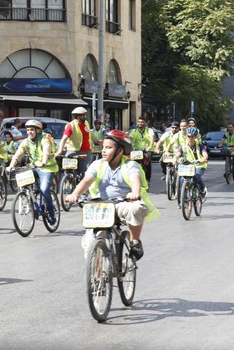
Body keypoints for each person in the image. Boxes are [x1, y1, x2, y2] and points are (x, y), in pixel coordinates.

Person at [65, 130, 159, 261]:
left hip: (122, 204)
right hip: (100, 205)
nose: (103, 151)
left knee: (136, 208)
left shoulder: (131, 165)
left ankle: (135, 241)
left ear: (120, 151)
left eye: (108, 148)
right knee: (90, 242)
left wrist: (135, 193)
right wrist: (75, 194)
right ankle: (96, 277)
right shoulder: (97, 165)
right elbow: (86, 181)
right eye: (103, 147)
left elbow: (135, 181)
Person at [7, 120, 59, 225]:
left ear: (38, 131)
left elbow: (46, 151)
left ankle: (51, 212)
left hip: (47, 168)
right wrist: (11, 165)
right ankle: (30, 197)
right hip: (34, 167)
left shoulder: (45, 138)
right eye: (27, 130)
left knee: (44, 189)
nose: (29, 132)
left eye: (32, 130)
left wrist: (43, 162)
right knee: (25, 183)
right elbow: (18, 154)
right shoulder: (26, 141)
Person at [56, 106, 93, 176]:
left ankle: (83, 185)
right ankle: (68, 181)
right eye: (84, 115)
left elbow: (90, 133)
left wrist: (98, 141)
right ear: (79, 116)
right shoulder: (71, 125)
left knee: (85, 172)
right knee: (69, 169)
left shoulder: (86, 123)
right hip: (73, 151)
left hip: (85, 151)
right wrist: (59, 151)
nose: (86, 116)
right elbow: (64, 138)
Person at [172, 126, 208, 197]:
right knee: (182, 180)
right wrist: (174, 159)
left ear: (195, 137)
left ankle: (202, 188)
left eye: (192, 136)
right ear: (186, 136)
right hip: (188, 166)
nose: (190, 138)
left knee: (196, 177)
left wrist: (202, 159)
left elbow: (205, 155)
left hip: (199, 165)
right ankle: (184, 198)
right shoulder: (183, 146)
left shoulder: (200, 146)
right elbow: (177, 154)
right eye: (189, 136)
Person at [127, 116, 156, 184]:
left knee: (147, 162)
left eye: (142, 122)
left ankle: (148, 179)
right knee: (132, 163)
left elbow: (152, 139)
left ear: (145, 123)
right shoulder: (134, 131)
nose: (140, 123)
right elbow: (130, 140)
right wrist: (130, 147)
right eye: (139, 122)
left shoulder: (149, 130)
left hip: (147, 150)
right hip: (137, 150)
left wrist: (150, 147)